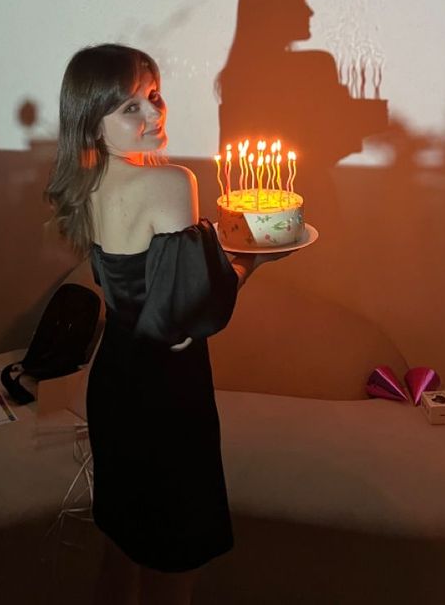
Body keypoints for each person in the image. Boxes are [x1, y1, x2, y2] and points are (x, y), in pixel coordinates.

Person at [46, 44, 279, 605]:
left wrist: (211, 252)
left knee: (124, 545)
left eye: (153, 97)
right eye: (130, 108)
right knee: (173, 564)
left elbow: (135, 286)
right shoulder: (169, 182)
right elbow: (181, 322)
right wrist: (256, 258)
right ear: (92, 122)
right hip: (165, 391)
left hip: (115, 379)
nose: (153, 115)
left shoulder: (89, 182)